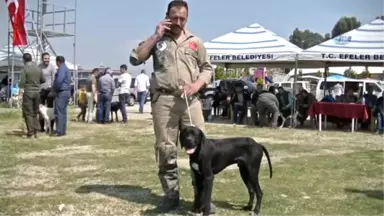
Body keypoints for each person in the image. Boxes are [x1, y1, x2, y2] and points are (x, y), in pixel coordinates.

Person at [129, 0, 214, 213]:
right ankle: (171, 194)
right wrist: (156, 35)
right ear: (167, 15)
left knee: (201, 150)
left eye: (182, 18)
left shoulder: (195, 41)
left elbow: (208, 68)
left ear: (187, 17)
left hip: (190, 101)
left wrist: (197, 84)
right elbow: (135, 58)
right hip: (164, 101)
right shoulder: (158, 40)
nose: (178, 22)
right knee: (166, 149)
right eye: (174, 17)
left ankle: (201, 198)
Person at [19, 53, 45, 138]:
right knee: (34, 112)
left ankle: (30, 132)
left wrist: (20, 94)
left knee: (28, 113)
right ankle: (36, 130)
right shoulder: (38, 69)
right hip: (37, 93)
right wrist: (36, 83)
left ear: (24, 60)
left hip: (28, 93)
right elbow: (43, 80)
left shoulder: (24, 69)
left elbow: (22, 83)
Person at [53, 56, 71, 137]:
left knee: (59, 112)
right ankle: (63, 130)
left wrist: (55, 89)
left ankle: (59, 131)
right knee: (63, 112)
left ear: (58, 62)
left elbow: (59, 80)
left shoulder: (61, 69)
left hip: (61, 91)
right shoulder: (66, 68)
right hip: (67, 91)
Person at [38, 52, 56, 131]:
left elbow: (54, 79)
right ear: (42, 59)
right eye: (45, 58)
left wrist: (52, 88)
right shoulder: (39, 66)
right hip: (41, 90)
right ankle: (42, 127)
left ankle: (50, 127)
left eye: (48, 58)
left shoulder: (52, 67)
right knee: (41, 110)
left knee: (50, 109)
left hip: (49, 91)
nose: (47, 60)